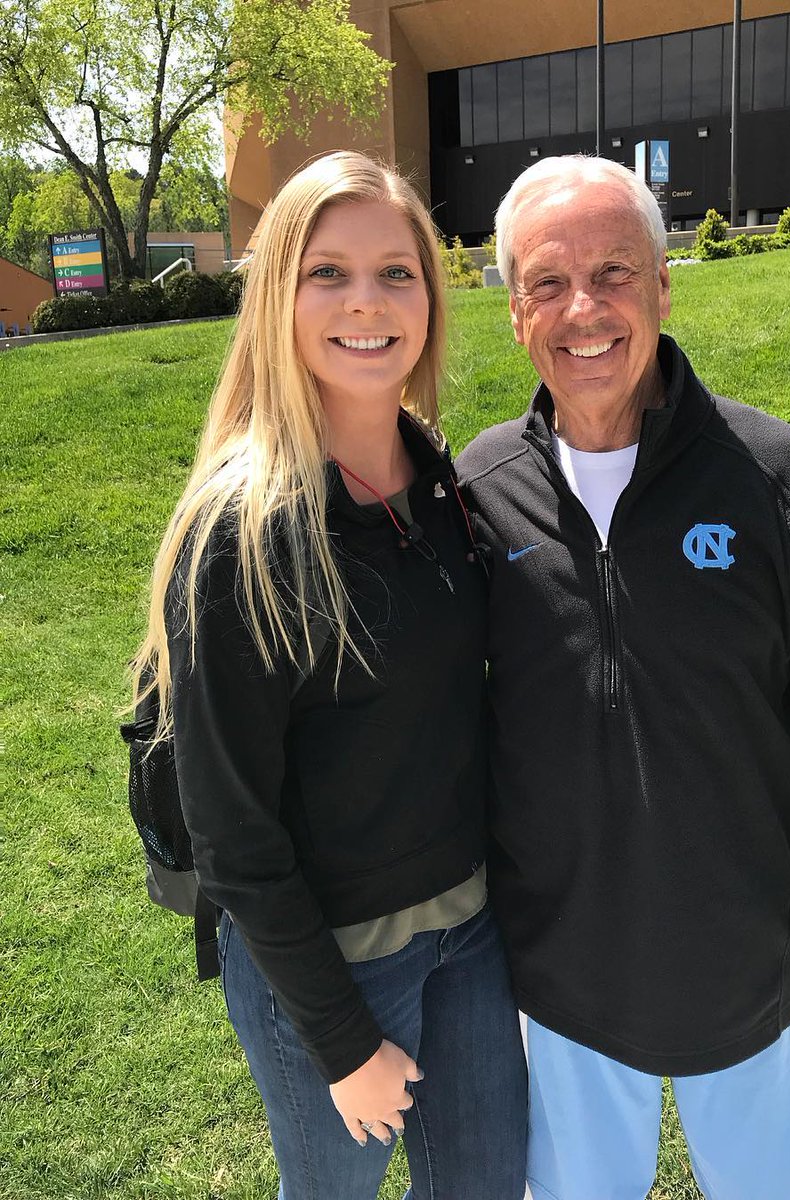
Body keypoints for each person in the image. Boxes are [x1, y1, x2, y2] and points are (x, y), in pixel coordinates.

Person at [456, 155, 790, 1200]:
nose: (582, 309)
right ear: (513, 313)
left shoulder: (773, 476)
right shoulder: (475, 495)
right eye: (546, 282)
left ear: (664, 285)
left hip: (748, 973)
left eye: (614, 274)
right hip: (562, 984)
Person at [130, 151, 527, 1200]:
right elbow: (232, 831)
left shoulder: (438, 478)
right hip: (332, 964)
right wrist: (344, 1043)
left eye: (397, 273)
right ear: (278, 298)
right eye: (328, 273)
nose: (368, 302)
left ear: (432, 299)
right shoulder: (243, 534)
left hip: (471, 932)